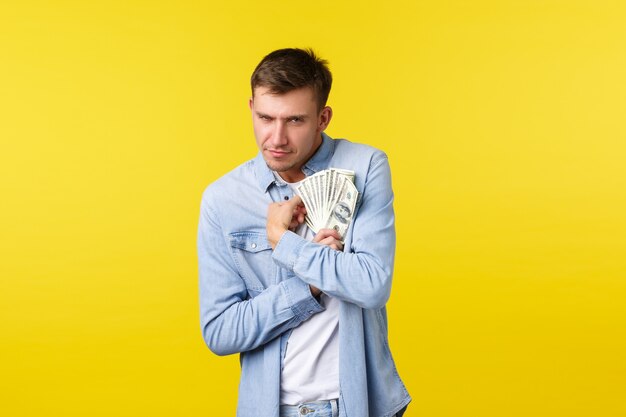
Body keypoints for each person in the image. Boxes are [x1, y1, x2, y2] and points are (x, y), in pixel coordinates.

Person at [198, 48, 410, 417]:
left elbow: (373, 285)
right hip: (272, 407)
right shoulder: (222, 200)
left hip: (359, 403)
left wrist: (287, 246)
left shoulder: (365, 166)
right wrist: (307, 285)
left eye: (294, 120)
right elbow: (219, 331)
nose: (276, 138)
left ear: (322, 118)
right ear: (251, 108)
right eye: (265, 118)